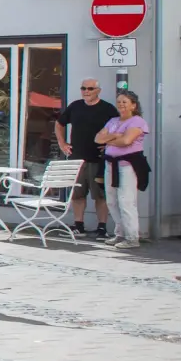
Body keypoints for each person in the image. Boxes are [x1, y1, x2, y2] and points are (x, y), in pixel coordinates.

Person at [55, 78, 119, 238]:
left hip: (98, 159)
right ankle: (79, 226)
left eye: (90, 88)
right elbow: (59, 123)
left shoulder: (107, 109)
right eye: (83, 88)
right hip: (77, 158)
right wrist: (62, 143)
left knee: (100, 195)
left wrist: (110, 144)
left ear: (98, 90)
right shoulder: (75, 106)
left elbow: (119, 128)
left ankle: (102, 228)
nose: (86, 91)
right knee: (77, 194)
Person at [97, 89, 150, 250]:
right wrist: (116, 137)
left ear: (133, 105)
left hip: (128, 165)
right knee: (111, 200)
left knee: (126, 201)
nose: (121, 105)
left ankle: (132, 237)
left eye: (125, 102)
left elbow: (127, 141)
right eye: (119, 101)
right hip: (110, 164)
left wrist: (110, 139)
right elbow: (97, 138)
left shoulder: (137, 121)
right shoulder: (113, 120)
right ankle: (120, 232)